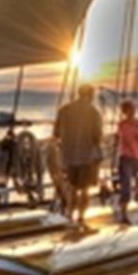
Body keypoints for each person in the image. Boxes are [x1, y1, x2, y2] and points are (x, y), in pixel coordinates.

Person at [53, 84, 103, 226]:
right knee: (85, 189)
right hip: (87, 157)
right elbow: (97, 137)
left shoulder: (64, 110)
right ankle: (81, 217)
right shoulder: (94, 113)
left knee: (72, 188)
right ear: (91, 95)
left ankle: (70, 215)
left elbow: (56, 133)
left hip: (68, 156)